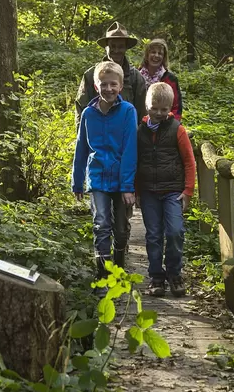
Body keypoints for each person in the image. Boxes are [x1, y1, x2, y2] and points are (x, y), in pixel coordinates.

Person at [72, 61, 138, 293]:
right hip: (97, 177)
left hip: (121, 180)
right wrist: (76, 181)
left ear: (120, 86)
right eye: (104, 84)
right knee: (101, 224)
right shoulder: (89, 114)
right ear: (96, 86)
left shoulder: (128, 111)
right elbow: (81, 149)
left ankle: (119, 271)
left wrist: (128, 186)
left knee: (120, 228)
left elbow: (131, 149)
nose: (108, 88)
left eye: (113, 84)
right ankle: (103, 274)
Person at [136, 82, 195, 297]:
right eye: (154, 108)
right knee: (153, 235)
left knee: (175, 231)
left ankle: (174, 273)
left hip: (172, 190)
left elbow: (189, 162)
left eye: (164, 109)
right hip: (149, 191)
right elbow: (136, 162)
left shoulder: (177, 130)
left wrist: (188, 191)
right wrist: (136, 191)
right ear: (146, 106)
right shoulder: (140, 131)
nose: (159, 113)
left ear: (170, 108)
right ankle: (156, 277)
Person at [75, 22, 147, 127]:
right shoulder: (91, 75)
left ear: (126, 48)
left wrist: (138, 140)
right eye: (112, 46)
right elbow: (81, 109)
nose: (116, 50)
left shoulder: (135, 77)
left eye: (121, 46)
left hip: (125, 137)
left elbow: (142, 114)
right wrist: (82, 136)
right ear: (106, 47)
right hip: (96, 137)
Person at [139, 39, 183, 121]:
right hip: (141, 123)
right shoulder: (137, 75)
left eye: (160, 53)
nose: (156, 55)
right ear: (147, 55)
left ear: (164, 57)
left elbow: (176, 107)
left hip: (164, 123)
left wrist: (172, 126)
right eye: (153, 52)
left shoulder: (170, 79)